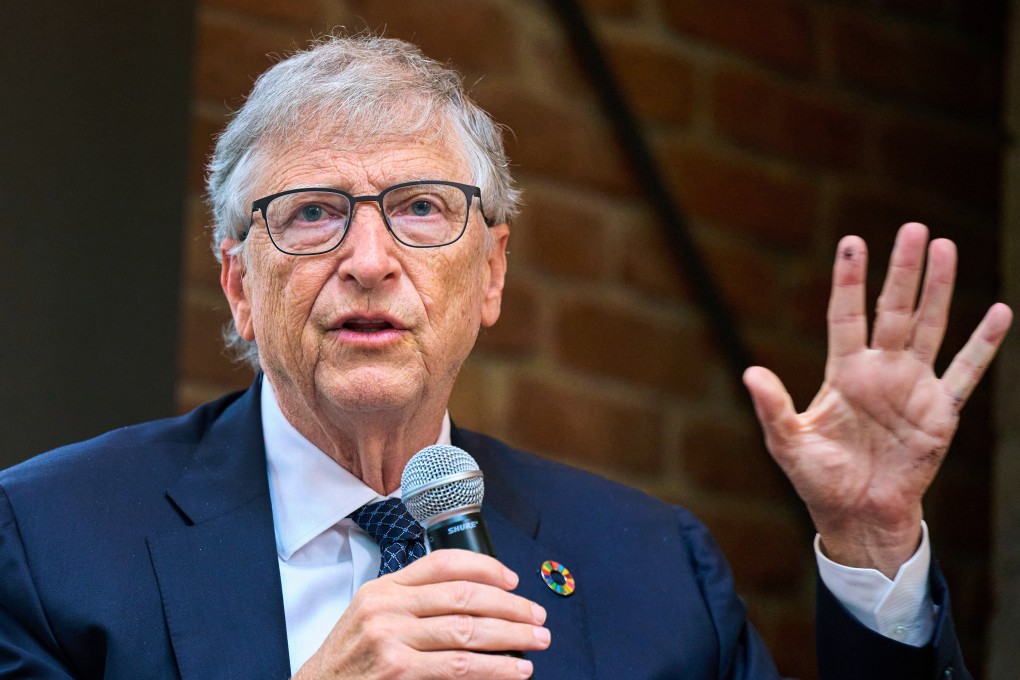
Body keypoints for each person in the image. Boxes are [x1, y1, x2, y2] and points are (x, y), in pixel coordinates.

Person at [0, 35, 1011, 680]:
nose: (367, 260)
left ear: (489, 274)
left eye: (420, 209)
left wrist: (875, 546)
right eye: (311, 214)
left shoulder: (653, 571)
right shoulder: (50, 545)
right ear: (237, 284)